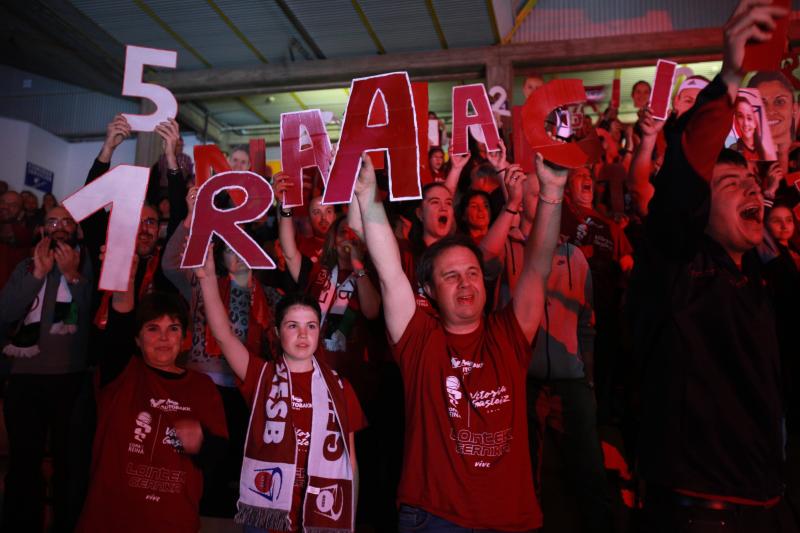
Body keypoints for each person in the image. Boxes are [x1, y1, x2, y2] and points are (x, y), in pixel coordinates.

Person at [631, 1, 798, 530]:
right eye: (732, 185)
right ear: (699, 210)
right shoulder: (676, 268)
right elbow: (684, 173)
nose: (751, 187)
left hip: (770, 504)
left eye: (752, 184)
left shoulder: (761, 274)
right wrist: (730, 73)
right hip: (700, 512)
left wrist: (765, 207)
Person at [354, 148, 566, 531]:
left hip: (509, 519)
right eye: (450, 276)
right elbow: (388, 273)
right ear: (430, 291)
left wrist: (552, 193)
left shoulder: (509, 334)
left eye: (471, 273)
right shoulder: (419, 339)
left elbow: (538, 266)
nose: (465, 282)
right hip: (435, 516)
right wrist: (369, 200)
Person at [197, 249, 366, 531]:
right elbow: (223, 336)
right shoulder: (260, 375)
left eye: (311, 326)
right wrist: (206, 279)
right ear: (277, 332)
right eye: (292, 325)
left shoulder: (340, 386)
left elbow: (352, 464)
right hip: (267, 517)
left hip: (322, 516)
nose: (303, 334)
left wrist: (348, 522)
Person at [76, 279, 227, 532]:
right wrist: (125, 264)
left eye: (174, 328)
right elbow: (120, 315)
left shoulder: (203, 387)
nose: (164, 338)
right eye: (153, 328)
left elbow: (219, 457)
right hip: (110, 520)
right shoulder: (121, 372)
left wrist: (202, 441)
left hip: (172, 521)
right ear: (136, 339)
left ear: (185, 338)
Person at [0, 206, 93, 532]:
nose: (60, 226)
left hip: (71, 379)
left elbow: (91, 316)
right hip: (26, 379)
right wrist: (38, 274)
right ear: (42, 228)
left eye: (67, 221)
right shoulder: (26, 265)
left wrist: (72, 275)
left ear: (77, 231)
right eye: (53, 221)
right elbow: (6, 313)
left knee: (70, 467)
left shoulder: (86, 265)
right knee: (24, 465)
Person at [748, 70, 798, 175]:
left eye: (780, 102)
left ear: (794, 109)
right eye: (761, 103)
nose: (770, 111)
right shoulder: (743, 162)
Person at [0, 190, 34, 289]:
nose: (5, 206)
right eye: (2, 202)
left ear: (21, 213)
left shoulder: (24, 236)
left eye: (13, 205)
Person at [732, 96, 764, 160]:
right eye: (740, 116)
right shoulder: (733, 150)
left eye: (749, 118)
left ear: (756, 123)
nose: (745, 123)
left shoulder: (765, 151)